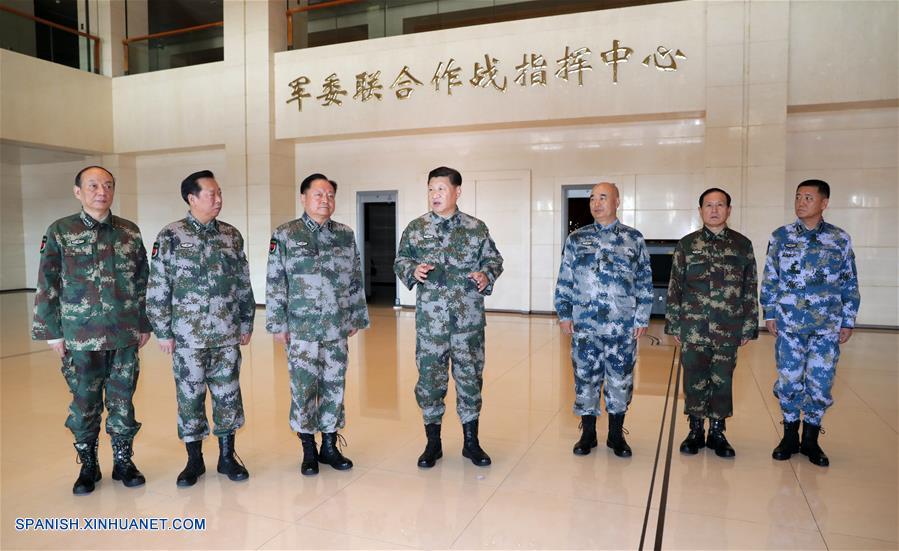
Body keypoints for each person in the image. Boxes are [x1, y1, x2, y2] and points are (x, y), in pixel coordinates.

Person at [31, 166, 151, 495]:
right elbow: (47, 282)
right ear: (78, 191)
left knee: (123, 401)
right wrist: (52, 332)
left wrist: (144, 322)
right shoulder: (60, 231)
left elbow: (143, 281)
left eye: (108, 185)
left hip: (124, 335)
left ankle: (123, 461)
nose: (102, 191)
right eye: (94, 185)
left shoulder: (129, 231)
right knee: (84, 403)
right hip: (79, 338)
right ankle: (88, 465)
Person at [146, 170, 255, 486]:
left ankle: (226, 457)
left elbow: (242, 283)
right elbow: (158, 286)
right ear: (191, 198)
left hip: (225, 335)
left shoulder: (231, 235)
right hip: (187, 337)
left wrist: (246, 322)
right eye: (211, 194)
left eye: (220, 193)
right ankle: (194, 461)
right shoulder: (171, 236)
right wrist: (163, 331)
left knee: (228, 395)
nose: (218, 199)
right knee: (190, 397)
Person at [394, 166, 504, 468]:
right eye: (431, 189)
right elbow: (401, 259)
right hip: (431, 326)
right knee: (430, 383)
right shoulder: (416, 229)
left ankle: (471, 443)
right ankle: (433, 443)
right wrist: (411, 270)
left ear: (457, 191)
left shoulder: (476, 228)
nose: (435, 195)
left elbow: (494, 259)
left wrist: (486, 274)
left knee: (470, 381)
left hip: (468, 324)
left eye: (441, 189)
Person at [266, 174, 369, 476]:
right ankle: (308, 449)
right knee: (304, 387)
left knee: (334, 386)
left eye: (330, 195)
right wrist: (277, 323)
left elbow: (354, 277)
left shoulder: (344, 234)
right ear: (303, 198)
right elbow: (275, 281)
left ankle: (330, 446)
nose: (326, 200)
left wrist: (355, 316)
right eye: (319, 195)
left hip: (336, 326)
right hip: (301, 329)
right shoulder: (286, 234)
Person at [761, 179, 860, 467]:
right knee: (789, 380)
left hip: (826, 325)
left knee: (820, 383)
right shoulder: (781, 236)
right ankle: (790, 436)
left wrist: (848, 319)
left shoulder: (839, 239)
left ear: (824, 203)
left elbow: (849, 281)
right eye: (798, 197)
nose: (801, 202)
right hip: (790, 324)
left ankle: (811, 441)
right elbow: (770, 277)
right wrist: (769, 312)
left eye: (808, 197)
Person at [554, 182, 653, 458]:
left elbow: (644, 280)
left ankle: (615, 434)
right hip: (585, 326)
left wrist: (642, 316)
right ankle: (587, 434)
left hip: (622, 326)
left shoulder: (634, 239)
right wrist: (564, 313)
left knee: (620, 379)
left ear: (617, 201)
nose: (596, 203)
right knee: (585, 378)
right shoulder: (576, 239)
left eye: (603, 197)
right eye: (592, 198)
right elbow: (565, 280)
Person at [665, 188, 758, 458]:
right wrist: (675, 324)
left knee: (722, 380)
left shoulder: (742, 245)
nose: (714, 210)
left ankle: (718, 431)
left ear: (729, 210)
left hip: (728, 327)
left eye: (720, 205)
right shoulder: (686, 245)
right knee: (693, 379)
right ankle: (695, 430)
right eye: (708, 205)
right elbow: (675, 288)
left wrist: (749, 325)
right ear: (700, 210)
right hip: (693, 327)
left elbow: (749, 287)